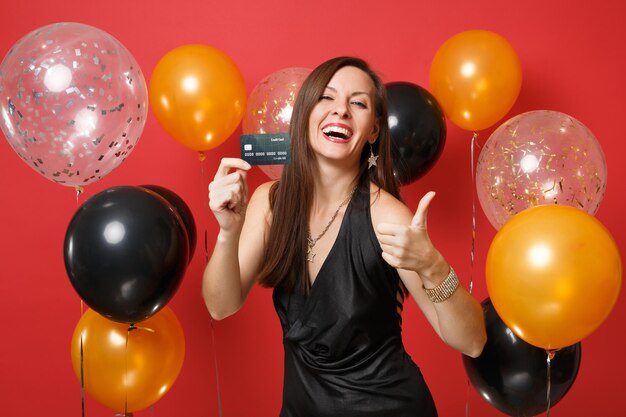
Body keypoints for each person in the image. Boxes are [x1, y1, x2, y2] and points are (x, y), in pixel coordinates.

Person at [203, 56, 486, 417]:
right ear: (304, 114)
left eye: (358, 103)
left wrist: (433, 266)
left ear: (373, 131)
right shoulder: (270, 202)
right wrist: (228, 232)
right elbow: (220, 305)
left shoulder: (387, 216)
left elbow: (472, 342)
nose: (341, 111)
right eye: (326, 98)